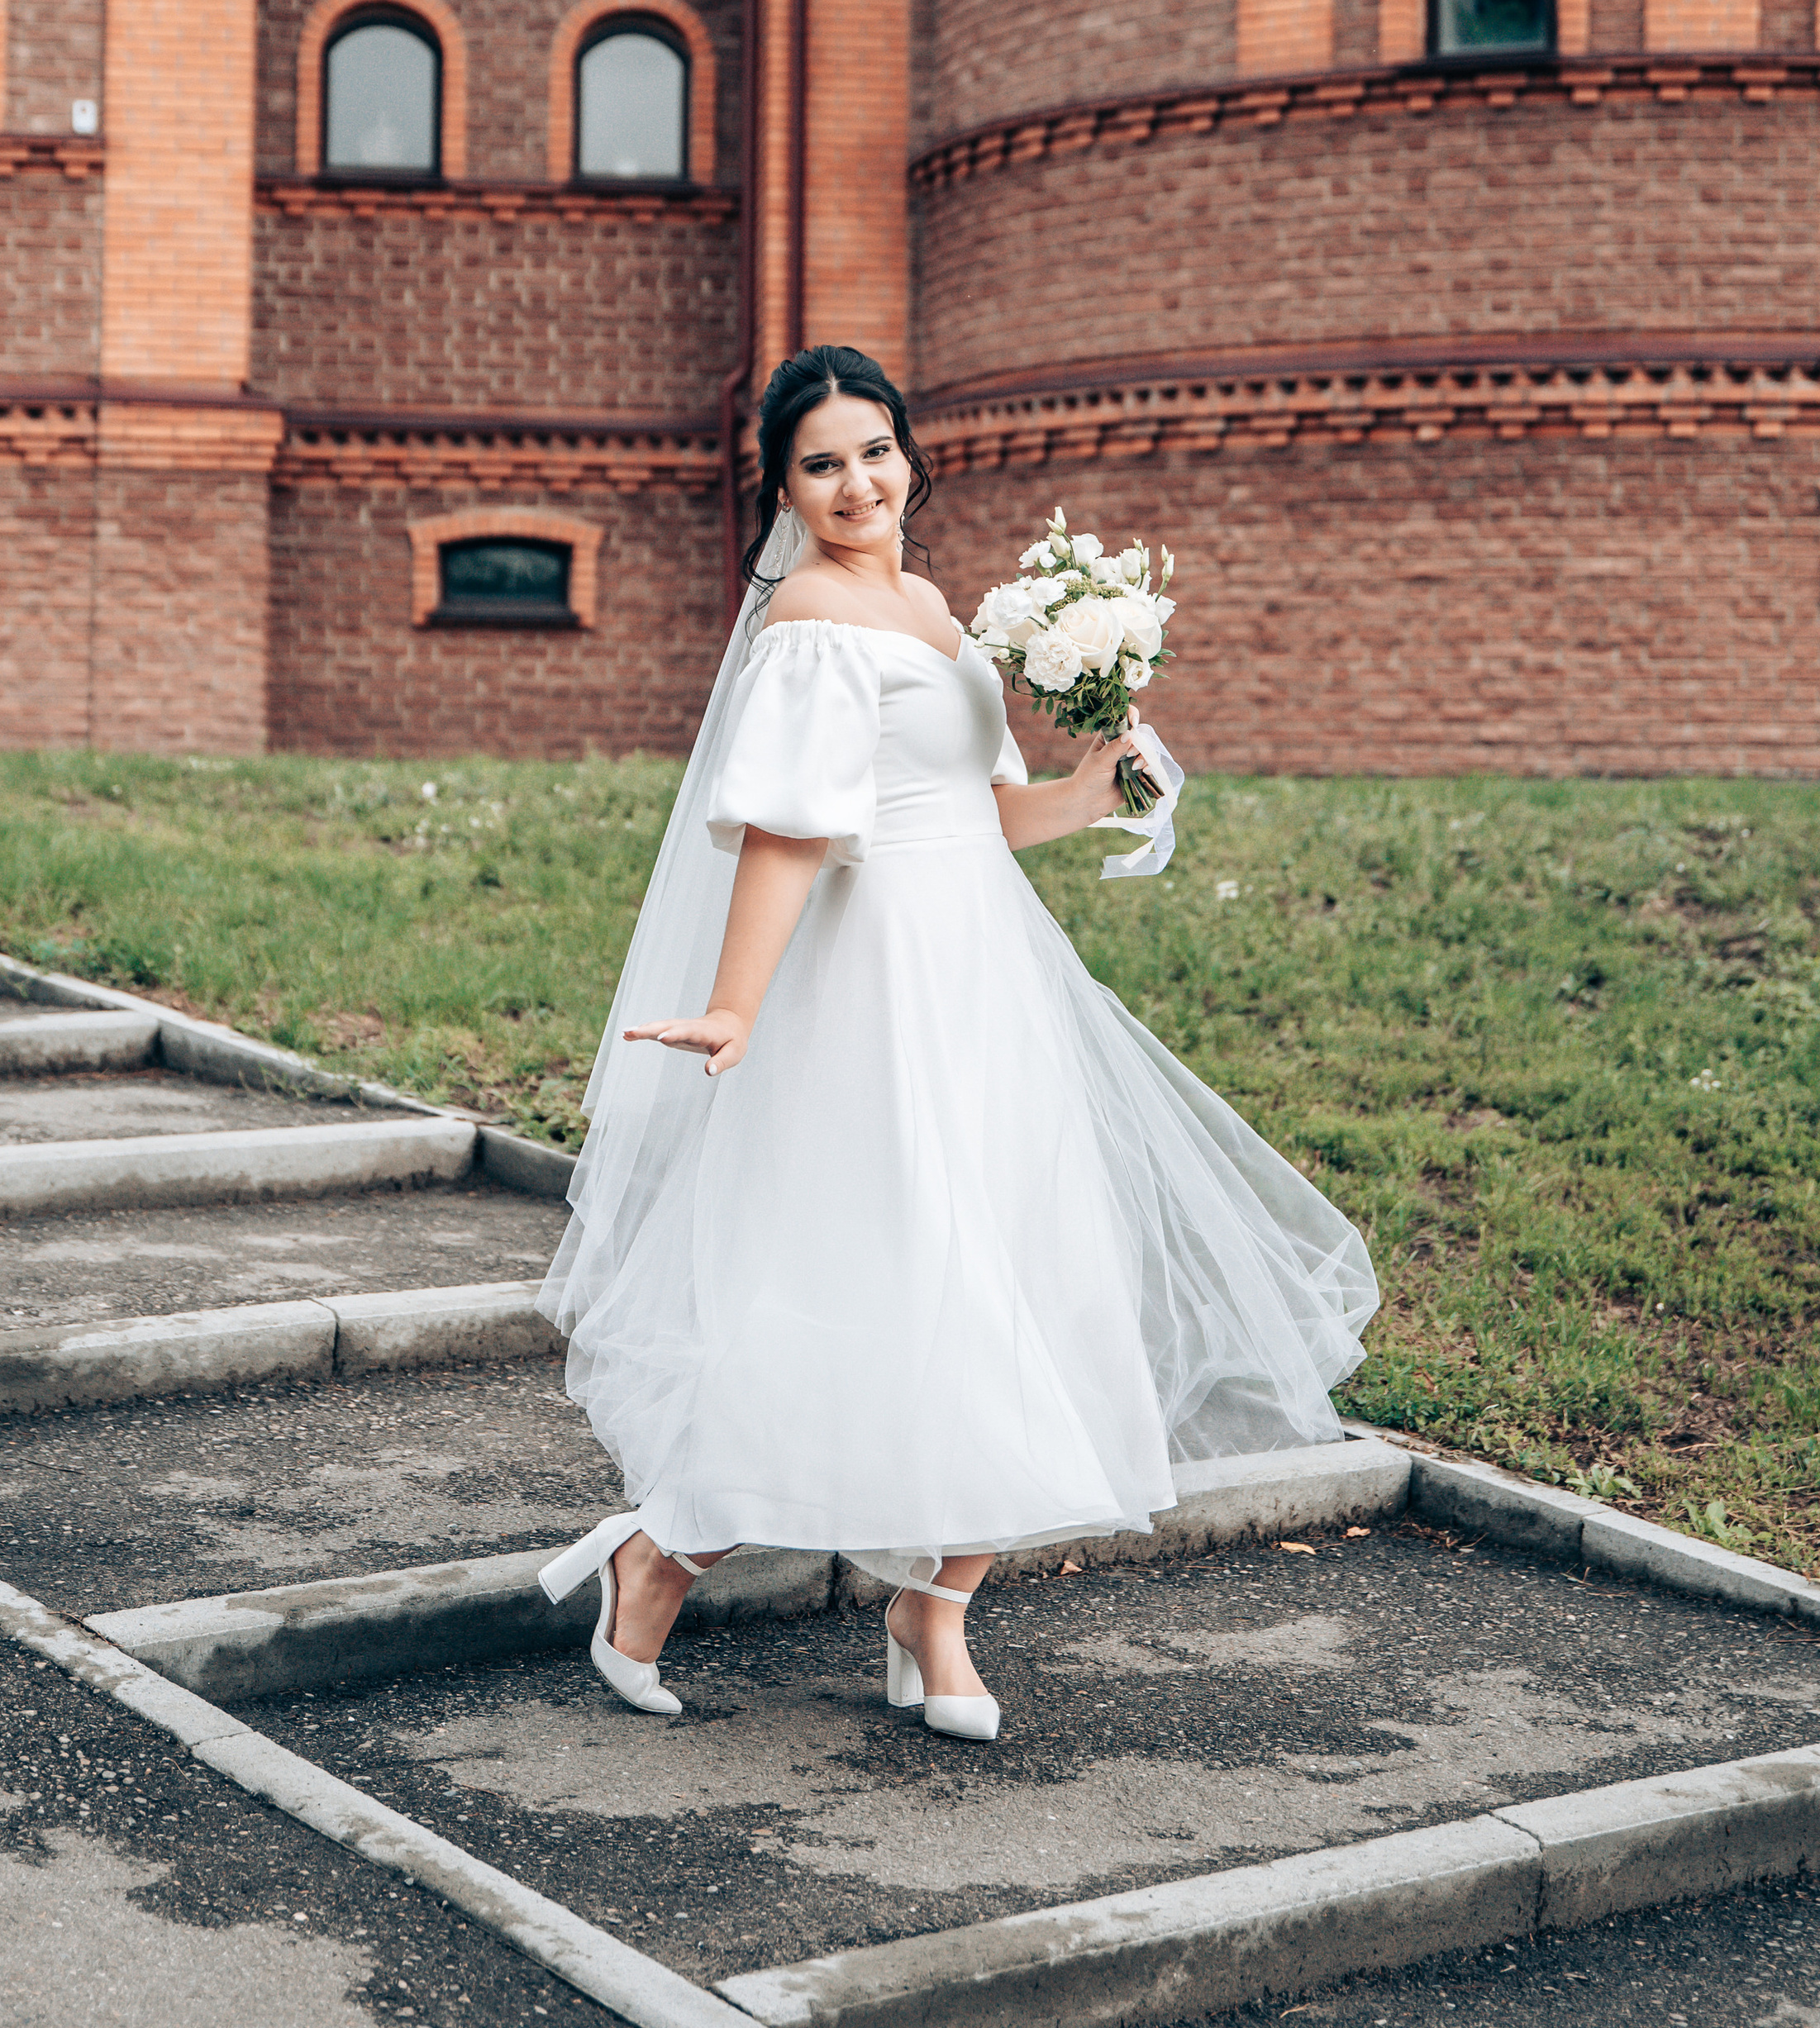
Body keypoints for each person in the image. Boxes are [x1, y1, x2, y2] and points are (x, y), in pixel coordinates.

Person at [537, 344, 1377, 1741]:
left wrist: (1102, 781)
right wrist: (739, 1000)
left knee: (1018, 1278)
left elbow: (993, 812)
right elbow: (794, 828)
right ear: (786, 489)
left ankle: (935, 1607)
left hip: (987, 974)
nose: (855, 481)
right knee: (864, 1273)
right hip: (872, 983)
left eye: (874, 450)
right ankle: (660, 1553)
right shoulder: (807, 615)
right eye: (821, 463)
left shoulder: (932, 605)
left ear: (911, 453)